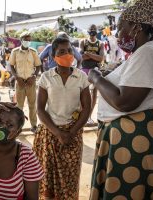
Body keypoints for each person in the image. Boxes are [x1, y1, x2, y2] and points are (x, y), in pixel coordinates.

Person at [88, 0, 153, 199]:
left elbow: (125, 102)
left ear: (136, 27)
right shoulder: (145, 52)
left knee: (128, 192)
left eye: (121, 27)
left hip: (135, 141)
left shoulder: (148, 53)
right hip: (131, 137)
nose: (117, 34)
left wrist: (96, 78)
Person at [33, 36, 91, 199]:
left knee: (70, 176)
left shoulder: (81, 77)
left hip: (74, 133)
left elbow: (86, 109)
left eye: (70, 51)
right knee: (48, 177)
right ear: (53, 56)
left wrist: (71, 133)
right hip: (50, 134)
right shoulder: (46, 77)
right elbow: (40, 109)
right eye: (62, 52)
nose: (67, 54)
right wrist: (59, 134)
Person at [9, 31, 42, 132]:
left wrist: (34, 76)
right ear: (21, 40)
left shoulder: (33, 52)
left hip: (31, 83)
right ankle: (19, 126)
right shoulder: (15, 52)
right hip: (20, 83)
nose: (28, 42)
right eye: (26, 40)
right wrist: (16, 77)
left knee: (32, 105)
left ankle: (33, 125)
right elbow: (11, 65)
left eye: (29, 40)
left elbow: (38, 66)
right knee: (19, 106)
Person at [80, 25, 105, 125]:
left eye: (94, 30)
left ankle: (89, 117)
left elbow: (101, 58)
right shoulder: (83, 42)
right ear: (88, 31)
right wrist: (95, 56)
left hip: (95, 70)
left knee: (94, 94)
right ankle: (83, 117)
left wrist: (88, 54)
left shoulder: (100, 43)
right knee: (83, 94)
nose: (92, 32)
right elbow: (82, 56)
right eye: (91, 30)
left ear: (96, 31)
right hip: (85, 70)